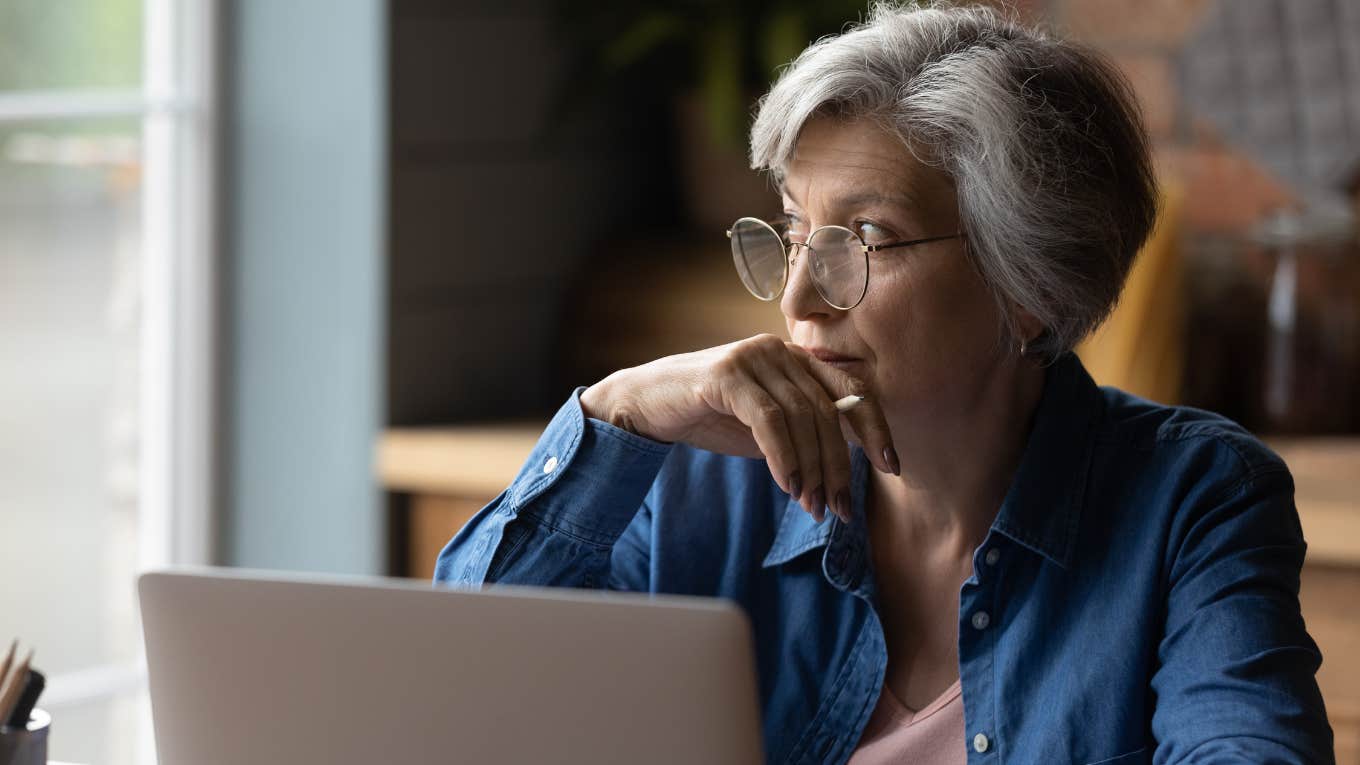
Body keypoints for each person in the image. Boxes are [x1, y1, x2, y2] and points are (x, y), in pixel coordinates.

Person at [434, 3, 1333, 762]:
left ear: (1027, 287)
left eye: (862, 240)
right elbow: (459, 696)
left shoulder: (1192, 499)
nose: (796, 299)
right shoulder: (706, 481)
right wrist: (618, 409)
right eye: (791, 231)